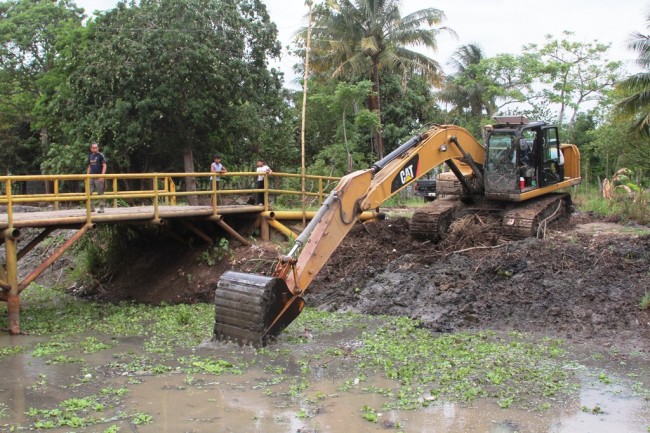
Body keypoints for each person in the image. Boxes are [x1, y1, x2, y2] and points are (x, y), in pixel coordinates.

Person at [87, 142, 107, 213]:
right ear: (91, 149)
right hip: (91, 177)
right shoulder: (90, 156)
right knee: (89, 192)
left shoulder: (101, 156)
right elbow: (89, 166)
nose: (94, 149)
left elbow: (104, 165)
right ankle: (91, 208)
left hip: (99, 177)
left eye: (96, 148)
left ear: (98, 148)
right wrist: (87, 175)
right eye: (93, 148)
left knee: (100, 192)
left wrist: (102, 176)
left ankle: (101, 208)